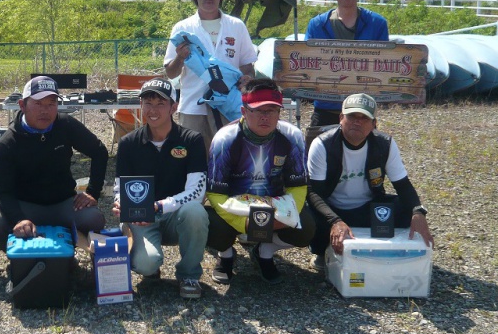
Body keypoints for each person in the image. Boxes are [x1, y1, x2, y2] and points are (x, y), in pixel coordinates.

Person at [205, 78, 315, 285]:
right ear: (244, 111)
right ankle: (226, 255)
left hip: (274, 203)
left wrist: (287, 216)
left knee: (306, 228)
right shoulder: (224, 140)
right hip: (235, 205)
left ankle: (265, 252)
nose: (265, 117)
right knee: (209, 227)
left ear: (279, 112)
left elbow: (298, 185)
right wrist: (244, 223)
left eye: (272, 110)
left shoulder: (293, 136)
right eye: (258, 110)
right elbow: (215, 193)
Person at [307, 93, 433, 266]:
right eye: (352, 116)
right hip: (333, 210)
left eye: (364, 118)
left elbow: (402, 184)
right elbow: (314, 192)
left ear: (374, 124)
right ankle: (322, 251)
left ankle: (390, 252)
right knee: (308, 216)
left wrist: (418, 212)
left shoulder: (385, 144)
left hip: (368, 208)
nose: (357, 122)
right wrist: (334, 221)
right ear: (341, 118)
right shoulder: (322, 144)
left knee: (407, 209)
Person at [0, 76, 108, 251]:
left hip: (63, 202)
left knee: (94, 218)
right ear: (22, 105)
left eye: (51, 104)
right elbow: (4, 193)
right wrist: (19, 220)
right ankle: (19, 256)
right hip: (26, 205)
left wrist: (93, 192)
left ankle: (68, 251)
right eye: (38, 104)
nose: (45, 111)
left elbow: (99, 151)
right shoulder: (7, 143)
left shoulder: (65, 124)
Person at [112, 78, 208, 299]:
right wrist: (122, 204)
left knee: (196, 211)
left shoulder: (191, 140)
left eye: (160, 103)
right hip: (142, 219)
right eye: (148, 103)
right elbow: (119, 188)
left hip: (176, 217)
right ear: (141, 105)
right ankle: (151, 264)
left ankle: (189, 275)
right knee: (145, 265)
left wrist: (158, 207)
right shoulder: (127, 143)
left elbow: (197, 192)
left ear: (174, 107)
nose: (153, 110)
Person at [164, 0, 257, 155]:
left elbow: (248, 65)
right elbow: (170, 73)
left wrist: (248, 78)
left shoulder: (236, 26)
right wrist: (180, 57)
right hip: (193, 108)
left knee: (231, 158)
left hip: (229, 107)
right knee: (194, 163)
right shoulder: (182, 27)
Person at [305, 0, 389, 127]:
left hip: (362, 110)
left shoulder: (377, 24)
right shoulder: (316, 25)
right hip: (326, 107)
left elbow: (384, 67)